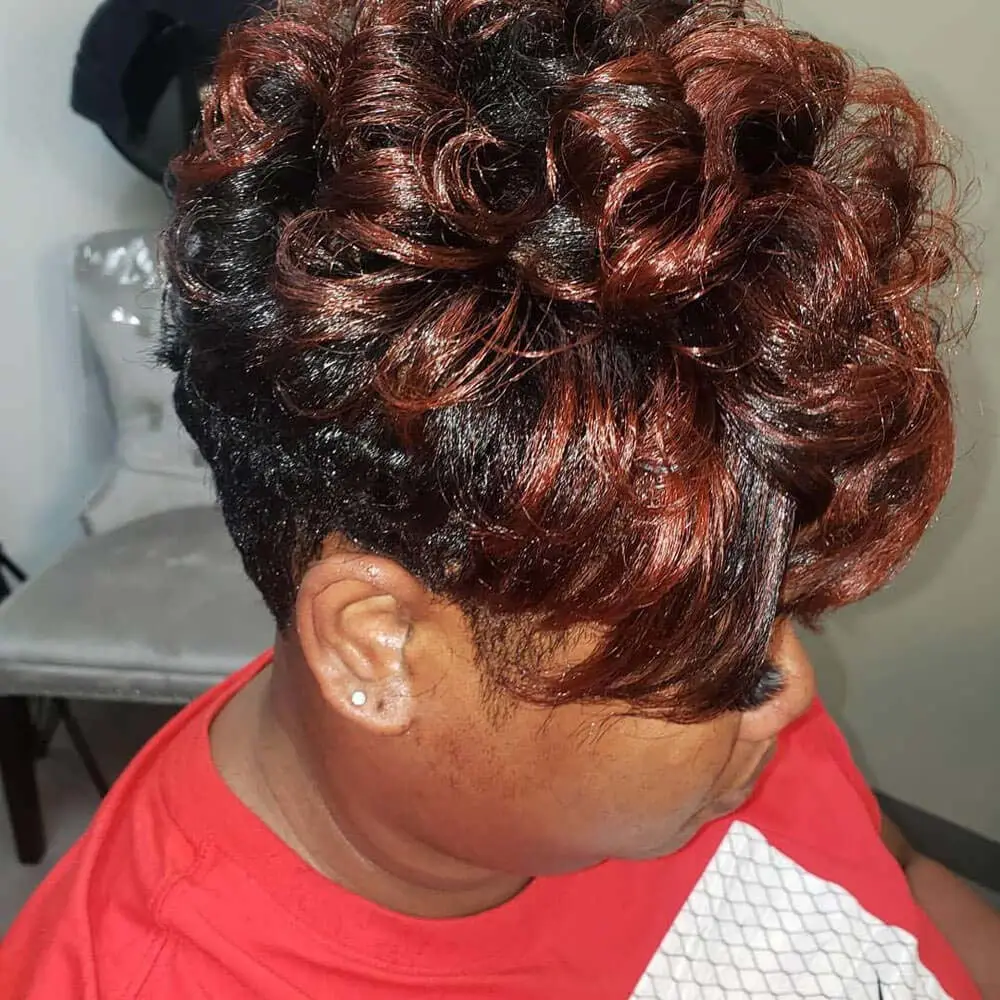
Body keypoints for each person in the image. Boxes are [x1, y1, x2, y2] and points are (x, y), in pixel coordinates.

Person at [3, 0, 999, 996]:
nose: (792, 693)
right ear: (379, 644)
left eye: (774, 613)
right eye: (716, 653)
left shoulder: (712, 671)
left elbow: (904, 884)